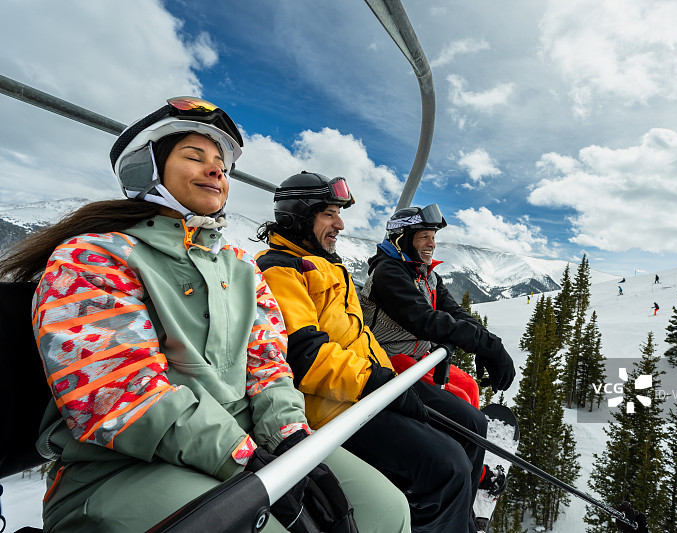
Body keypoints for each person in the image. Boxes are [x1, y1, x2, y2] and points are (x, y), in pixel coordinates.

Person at [0, 99, 409, 533]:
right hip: (121, 466)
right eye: (195, 157)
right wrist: (244, 458)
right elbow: (119, 393)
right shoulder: (92, 259)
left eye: (222, 165)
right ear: (146, 168)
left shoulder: (241, 267)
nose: (216, 170)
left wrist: (288, 436)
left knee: (387, 510)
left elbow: (268, 364)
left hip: (248, 440)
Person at [255, 173, 485, 533]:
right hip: (335, 404)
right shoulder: (281, 271)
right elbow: (305, 357)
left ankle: (460, 521)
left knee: (471, 427)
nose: (340, 224)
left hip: (370, 383)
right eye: (329, 214)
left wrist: (390, 378)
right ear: (297, 216)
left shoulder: (327, 264)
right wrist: (376, 381)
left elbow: (359, 335)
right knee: (448, 466)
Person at [358, 205, 515, 497]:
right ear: (402, 240)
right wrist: (484, 345)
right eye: (424, 237)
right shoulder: (389, 272)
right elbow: (426, 320)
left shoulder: (424, 273)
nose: (431, 243)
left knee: (469, 386)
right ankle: (461, 476)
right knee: (463, 408)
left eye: (433, 237)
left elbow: (454, 311)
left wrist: (489, 343)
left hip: (419, 356)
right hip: (389, 357)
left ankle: (472, 466)